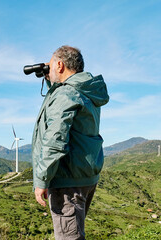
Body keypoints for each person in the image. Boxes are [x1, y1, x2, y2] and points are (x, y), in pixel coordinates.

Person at [32, 45, 109, 239]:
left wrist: (42, 179)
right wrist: (50, 80)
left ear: (59, 65)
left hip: (66, 180)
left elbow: (55, 138)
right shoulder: (85, 90)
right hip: (84, 176)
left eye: (50, 65)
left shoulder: (66, 94)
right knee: (76, 232)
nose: (48, 69)